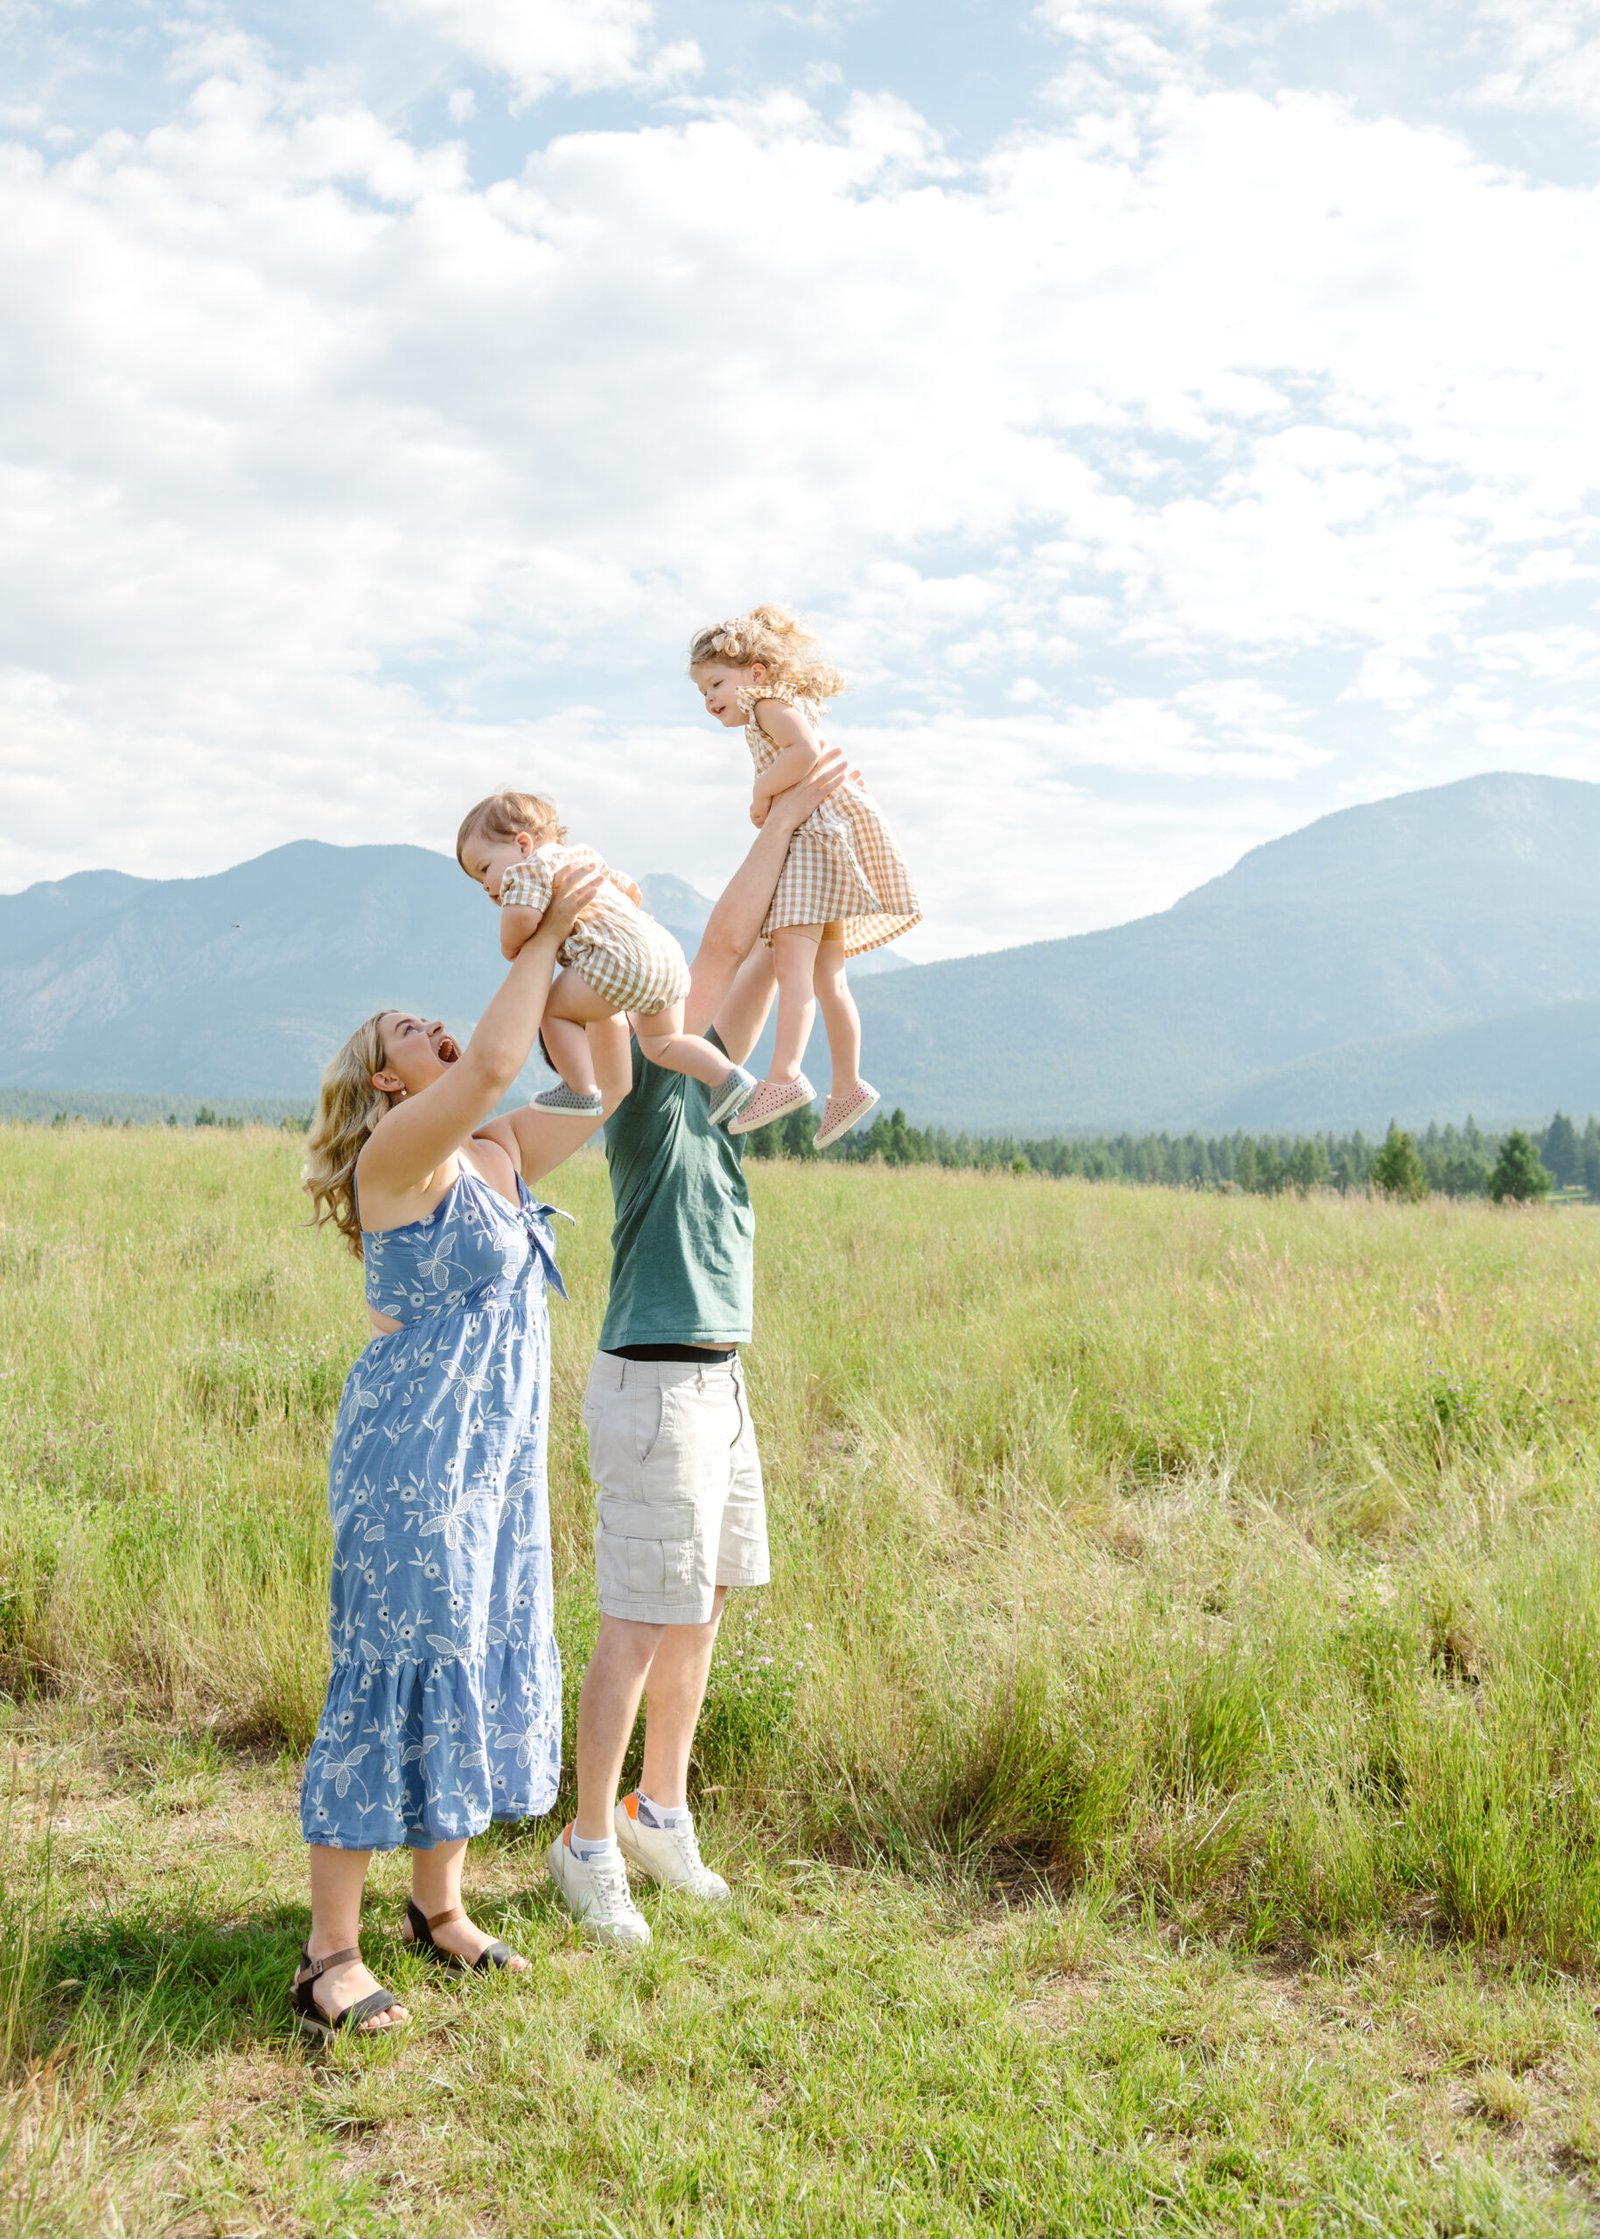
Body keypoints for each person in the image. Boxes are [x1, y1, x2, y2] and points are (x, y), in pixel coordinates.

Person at [293, 860, 626, 2038]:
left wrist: (603, 960)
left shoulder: (491, 1152)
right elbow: (492, 1058)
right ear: (386, 1075)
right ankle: (328, 1950)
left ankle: (439, 1906)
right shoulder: (401, 1156)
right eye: (408, 1028)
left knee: (475, 1651)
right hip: (409, 1459)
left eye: (432, 1011)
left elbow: (603, 1090)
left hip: (493, 1462)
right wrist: (542, 930)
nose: (436, 1025)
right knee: (391, 1669)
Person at [544, 748, 850, 1948]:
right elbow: (729, 935)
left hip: (717, 1383)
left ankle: (658, 1808)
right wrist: (784, 816)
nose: (720, 998)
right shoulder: (650, 1088)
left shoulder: (722, 1097)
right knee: (637, 1616)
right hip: (656, 1377)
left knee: (705, 1601)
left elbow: (767, 946)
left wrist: (795, 817)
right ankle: (585, 1844)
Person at [689, 605, 921, 1148]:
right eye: (702, 691)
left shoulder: (769, 705)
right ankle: (847, 1085)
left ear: (757, 673)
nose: (710, 699)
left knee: (793, 967)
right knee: (827, 977)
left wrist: (761, 792)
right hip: (823, 845)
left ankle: (786, 1075)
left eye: (717, 682)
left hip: (811, 847)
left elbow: (805, 751)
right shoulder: (777, 704)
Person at [456, 789, 759, 1129]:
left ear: (523, 845)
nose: (485, 885)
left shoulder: (528, 869)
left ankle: (581, 1088)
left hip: (619, 962)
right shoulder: (581, 856)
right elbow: (630, 888)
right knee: (662, 1043)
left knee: (550, 1010)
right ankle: (727, 1077)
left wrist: (508, 944)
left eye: (484, 869)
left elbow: (522, 920)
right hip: (665, 954)